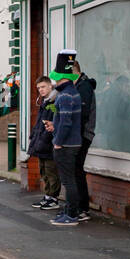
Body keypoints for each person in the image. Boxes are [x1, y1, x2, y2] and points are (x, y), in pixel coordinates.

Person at [48, 51, 83, 226]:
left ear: (62, 78)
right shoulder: (71, 92)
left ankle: (71, 215)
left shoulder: (65, 95)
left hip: (67, 145)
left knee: (68, 181)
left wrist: (58, 143)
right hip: (71, 143)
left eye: (56, 78)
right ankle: (69, 211)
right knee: (69, 180)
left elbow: (66, 123)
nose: (54, 82)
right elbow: (65, 121)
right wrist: (55, 126)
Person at [27, 75, 60, 212]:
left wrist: (43, 139)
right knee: (44, 171)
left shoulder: (54, 101)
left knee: (51, 171)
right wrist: (34, 136)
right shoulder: (45, 102)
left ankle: (53, 198)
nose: (41, 90)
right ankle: (47, 196)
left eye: (43, 87)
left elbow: (52, 123)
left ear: (50, 86)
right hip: (41, 142)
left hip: (49, 143)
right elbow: (39, 123)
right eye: (39, 88)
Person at [74, 59, 97, 221]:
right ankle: (78, 206)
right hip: (78, 134)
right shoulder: (78, 86)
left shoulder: (84, 87)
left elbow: (83, 114)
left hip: (82, 134)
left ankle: (82, 208)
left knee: (76, 169)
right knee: (74, 170)